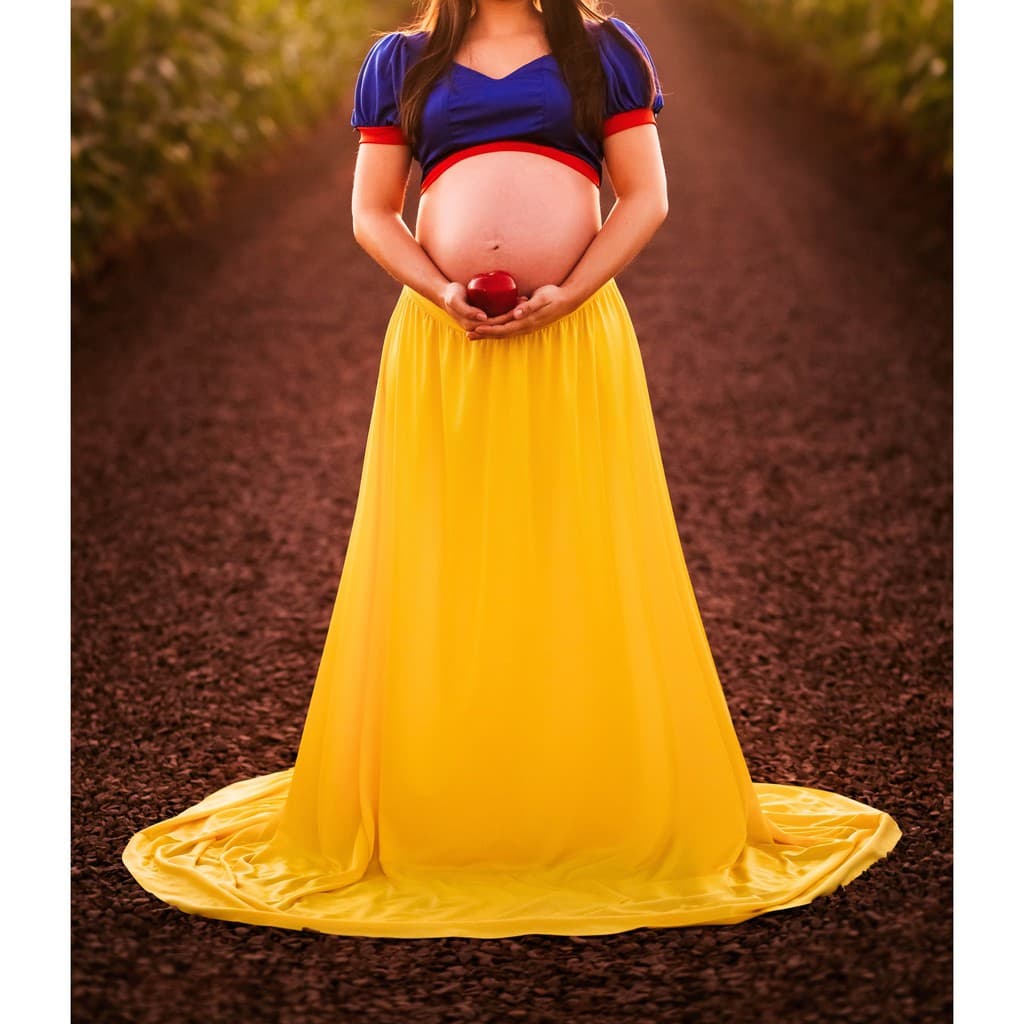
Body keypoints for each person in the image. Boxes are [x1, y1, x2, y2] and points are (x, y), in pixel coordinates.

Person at [122, 0, 902, 939]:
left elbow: (646, 196)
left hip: (573, 343)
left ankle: (577, 796)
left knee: (574, 553)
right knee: (445, 564)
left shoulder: (605, 50)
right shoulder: (399, 60)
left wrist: (569, 292)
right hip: (443, 347)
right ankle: (455, 799)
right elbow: (372, 212)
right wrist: (440, 286)